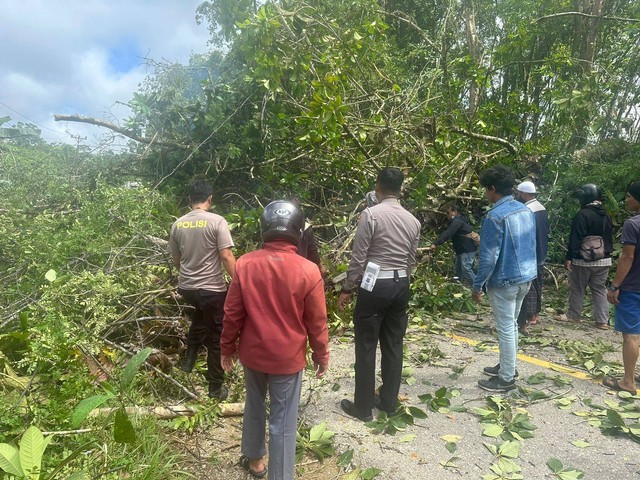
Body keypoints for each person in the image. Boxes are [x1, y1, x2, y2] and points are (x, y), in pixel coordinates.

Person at [220, 200, 329, 480]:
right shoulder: (308, 270)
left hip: (253, 355)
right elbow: (316, 321)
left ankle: (255, 461)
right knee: (283, 422)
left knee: (254, 405)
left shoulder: (245, 263)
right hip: (287, 359)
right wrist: (321, 355)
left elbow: (232, 314)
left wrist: (227, 348)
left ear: (264, 228)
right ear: (297, 231)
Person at [338, 167, 421, 420]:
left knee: (366, 344)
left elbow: (359, 256)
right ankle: (388, 402)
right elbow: (411, 259)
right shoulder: (413, 220)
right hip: (400, 284)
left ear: (378, 187)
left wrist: (348, 287)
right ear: (400, 189)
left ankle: (362, 407)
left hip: (375, 285)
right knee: (394, 344)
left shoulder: (370, 215)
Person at [168, 180, 236, 400]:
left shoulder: (178, 224)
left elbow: (176, 260)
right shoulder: (217, 221)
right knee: (216, 337)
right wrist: (239, 282)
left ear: (190, 200)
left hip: (187, 287)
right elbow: (226, 256)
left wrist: (187, 276)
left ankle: (189, 358)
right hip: (212, 288)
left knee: (200, 313)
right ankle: (215, 388)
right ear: (210, 199)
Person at [472, 165, 537, 393]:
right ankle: (508, 367)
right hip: (525, 278)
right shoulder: (525, 210)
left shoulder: (494, 216)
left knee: (507, 328)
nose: (485, 195)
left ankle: (506, 378)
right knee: (512, 326)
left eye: (486, 190)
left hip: (505, 281)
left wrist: (477, 285)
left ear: (492, 189)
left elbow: (489, 258)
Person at [602, 181, 640, 394]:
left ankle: (628, 381)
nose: (626, 200)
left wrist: (615, 285)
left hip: (634, 287)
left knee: (631, 335)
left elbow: (627, 257)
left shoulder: (633, 224)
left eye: (629, 196)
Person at [559, 184, 614, 330]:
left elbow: (576, 238)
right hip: (604, 259)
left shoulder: (582, 214)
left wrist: (569, 257)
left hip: (583, 260)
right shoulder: (607, 214)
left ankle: (573, 315)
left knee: (577, 287)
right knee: (599, 289)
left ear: (585, 197)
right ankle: (602, 321)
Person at [514, 181, 549, 335]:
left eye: (518, 193)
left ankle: (526, 320)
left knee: (529, 289)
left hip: (531, 254)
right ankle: (535, 315)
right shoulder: (541, 208)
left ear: (523, 194)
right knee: (538, 285)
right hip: (542, 252)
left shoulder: (527, 210)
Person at [430, 203, 477, 286]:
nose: (447, 215)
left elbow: (448, 233)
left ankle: (478, 288)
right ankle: (456, 288)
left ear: (454, 212)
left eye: (448, 213)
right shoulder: (460, 221)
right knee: (459, 271)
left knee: (466, 269)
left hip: (466, 249)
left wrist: (436, 243)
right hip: (462, 250)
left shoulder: (457, 221)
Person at [290, 198, 323, 273]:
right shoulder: (306, 227)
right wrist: (319, 267)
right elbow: (312, 250)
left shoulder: (282, 227)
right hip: (301, 266)